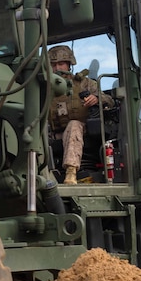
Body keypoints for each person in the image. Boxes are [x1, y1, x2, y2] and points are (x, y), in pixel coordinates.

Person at [47, 45, 113, 184]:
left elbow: (109, 100)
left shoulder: (83, 83)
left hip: (82, 131)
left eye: (61, 64)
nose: (57, 68)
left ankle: (71, 171)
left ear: (69, 64)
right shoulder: (45, 88)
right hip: (54, 133)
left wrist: (96, 99)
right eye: (53, 65)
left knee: (74, 124)